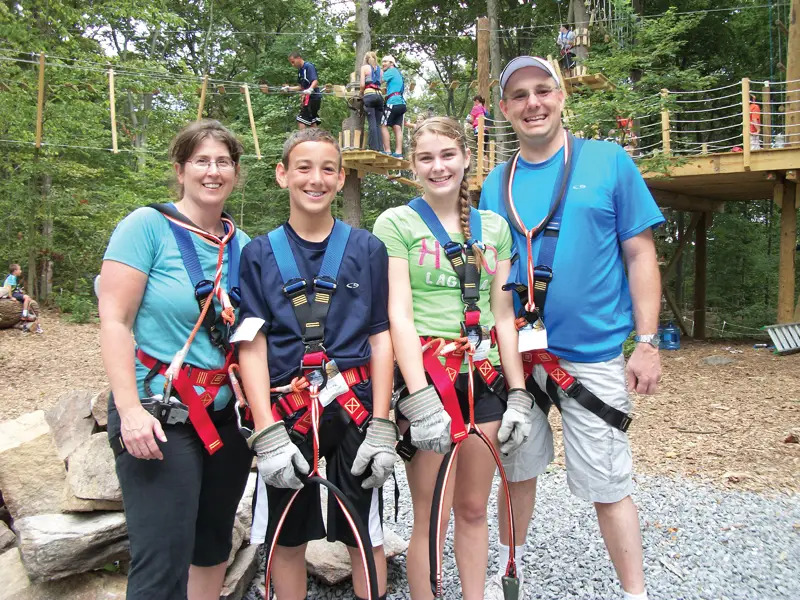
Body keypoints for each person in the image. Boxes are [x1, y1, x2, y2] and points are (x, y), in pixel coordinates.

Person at [479, 57, 664, 600]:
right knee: (515, 473)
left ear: (561, 97)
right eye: (519, 96)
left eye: (542, 91)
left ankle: (635, 591)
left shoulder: (609, 163)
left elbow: (640, 254)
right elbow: (489, 269)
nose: (532, 103)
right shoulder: (497, 181)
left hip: (592, 353)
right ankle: (508, 572)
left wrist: (647, 343)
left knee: (608, 481)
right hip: (517, 356)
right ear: (506, 110)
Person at [373, 116, 533, 600]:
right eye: (426, 158)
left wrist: (519, 391)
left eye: (447, 156)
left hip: (483, 380)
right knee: (432, 513)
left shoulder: (496, 228)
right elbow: (397, 314)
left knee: (471, 507)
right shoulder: (397, 223)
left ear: (466, 158)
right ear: (413, 166)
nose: (438, 166)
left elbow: (502, 315)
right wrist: (418, 399)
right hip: (430, 379)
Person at [236, 128, 394, 600]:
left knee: (365, 531)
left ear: (342, 177)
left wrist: (383, 423)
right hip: (288, 413)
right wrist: (265, 431)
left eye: (328, 169)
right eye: (303, 167)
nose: (316, 179)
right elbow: (251, 343)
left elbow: (379, 335)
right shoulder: (259, 255)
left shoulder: (366, 250)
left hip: (356, 407)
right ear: (283, 174)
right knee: (287, 535)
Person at [99, 120, 253, 600]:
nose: (213, 171)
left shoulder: (242, 245)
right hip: (159, 413)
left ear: (235, 172)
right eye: (202, 161)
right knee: (162, 559)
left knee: (211, 547)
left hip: (225, 417)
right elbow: (115, 321)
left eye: (223, 162)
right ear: (181, 169)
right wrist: (129, 412)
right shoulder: (146, 227)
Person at [285, 51, 322, 129]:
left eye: (293, 62)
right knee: (312, 120)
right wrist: (289, 88)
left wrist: (310, 89)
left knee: (301, 120)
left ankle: (302, 138)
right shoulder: (300, 71)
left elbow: (315, 81)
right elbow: (301, 87)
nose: (292, 64)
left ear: (298, 58)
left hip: (313, 97)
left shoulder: (308, 66)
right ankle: (315, 139)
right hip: (308, 98)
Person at [380, 55, 407, 158]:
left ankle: (387, 150)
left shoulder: (391, 71)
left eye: (386, 62)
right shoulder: (398, 73)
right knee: (397, 127)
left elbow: (379, 80)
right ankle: (399, 152)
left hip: (393, 102)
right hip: (401, 103)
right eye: (382, 62)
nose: (383, 64)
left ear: (391, 63)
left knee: (383, 124)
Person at [3, 264, 42, 333]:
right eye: (19, 269)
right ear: (15, 271)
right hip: (12, 294)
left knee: (28, 299)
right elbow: (9, 288)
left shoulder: (13, 277)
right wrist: (11, 297)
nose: (21, 271)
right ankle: (24, 315)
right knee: (26, 298)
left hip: (14, 292)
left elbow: (14, 288)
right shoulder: (12, 277)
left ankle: (27, 315)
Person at [360, 51, 385, 152]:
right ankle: (380, 147)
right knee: (378, 123)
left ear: (365, 59)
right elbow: (381, 83)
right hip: (379, 96)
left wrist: (361, 93)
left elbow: (362, 85)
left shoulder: (364, 68)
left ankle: (373, 148)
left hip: (369, 95)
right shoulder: (381, 71)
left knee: (372, 122)